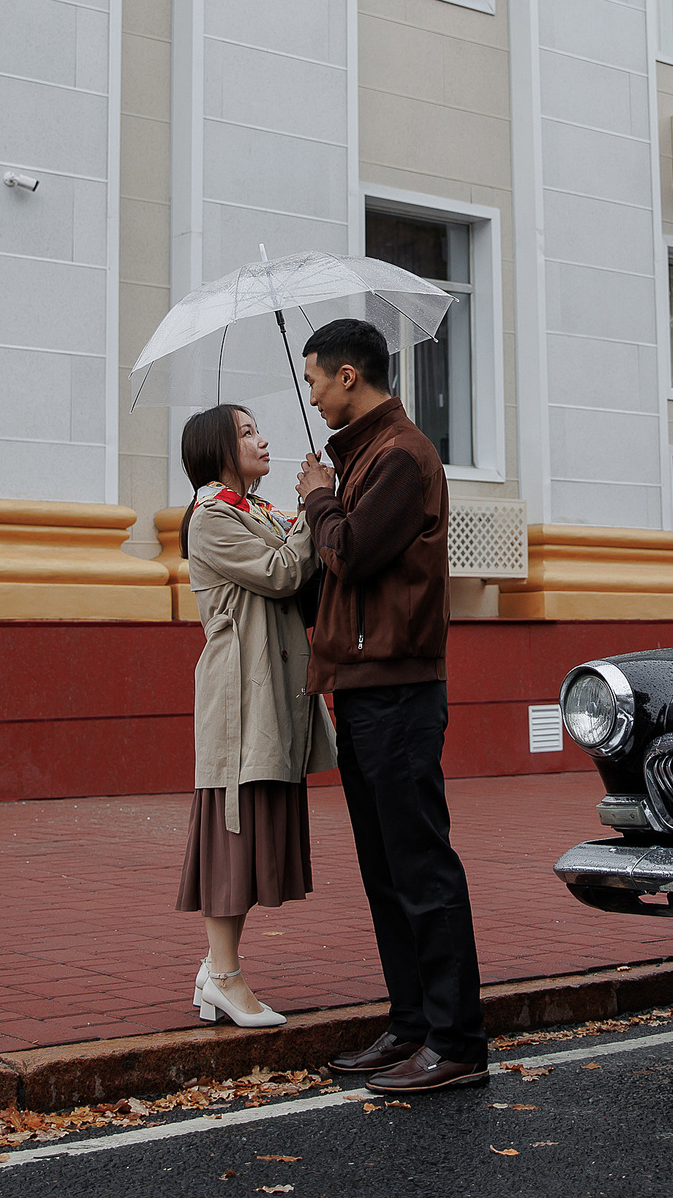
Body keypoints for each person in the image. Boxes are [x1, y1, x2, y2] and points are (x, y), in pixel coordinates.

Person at [294, 318, 487, 1093]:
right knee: (385, 871)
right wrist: (323, 497)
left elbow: (350, 551)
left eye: (315, 380)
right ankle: (412, 1026)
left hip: (399, 690)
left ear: (349, 376)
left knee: (420, 866)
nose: (311, 396)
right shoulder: (364, 457)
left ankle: (457, 1042)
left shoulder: (402, 455)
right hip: (361, 686)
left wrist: (318, 499)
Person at [174, 403, 336, 1029]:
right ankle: (224, 977)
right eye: (246, 433)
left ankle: (216, 969)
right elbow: (283, 570)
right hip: (240, 696)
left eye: (258, 429)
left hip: (270, 689)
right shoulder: (211, 517)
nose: (262, 440)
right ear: (218, 450)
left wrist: (316, 506)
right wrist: (315, 511)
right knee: (232, 833)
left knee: (253, 830)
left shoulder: (256, 511)